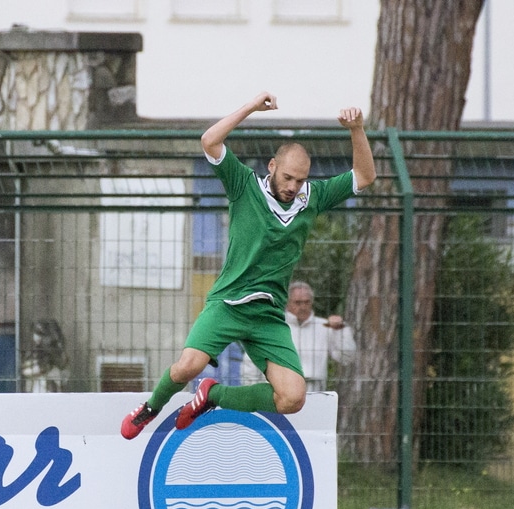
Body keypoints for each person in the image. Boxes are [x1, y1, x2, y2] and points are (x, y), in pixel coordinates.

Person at [120, 91, 375, 439]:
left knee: (292, 397)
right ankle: (150, 408)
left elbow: (365, 175)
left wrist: (357, 129)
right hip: (228, 302)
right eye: (287, 177)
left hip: (268, 315)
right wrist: (252, 108)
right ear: (272, 166)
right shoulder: (244, 186)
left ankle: (213, 395)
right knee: (187, 366)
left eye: (300, 180)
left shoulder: (311, 198)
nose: (292, 186)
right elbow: (210, 140)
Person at [240, 281, 356, 392]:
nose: (303, 307)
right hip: (277, 391)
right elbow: (251, 362)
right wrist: (252, 390)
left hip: (314, 391)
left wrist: (339, 330)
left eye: (306, 302)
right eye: (298, 302)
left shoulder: (323, 326)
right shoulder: (273, 326)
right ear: (288, 302)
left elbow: (346, 357)